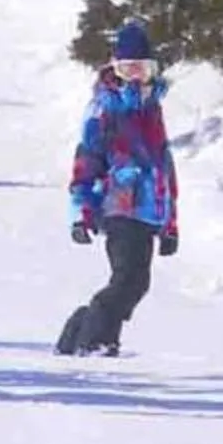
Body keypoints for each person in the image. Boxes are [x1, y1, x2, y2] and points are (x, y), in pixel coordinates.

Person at [55, 20, 179, 358]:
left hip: (147, 210)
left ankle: (82, 328)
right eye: (129, 69)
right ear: (116, 69)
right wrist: (81, 213)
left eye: (143, 68)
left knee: (137, 282)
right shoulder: (104, 108)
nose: (136, 76)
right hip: (118, 204)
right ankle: (94, 339)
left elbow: (164, 170)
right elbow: (86, 162)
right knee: (128, 279)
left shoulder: (153, 109)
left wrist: (170, 225)